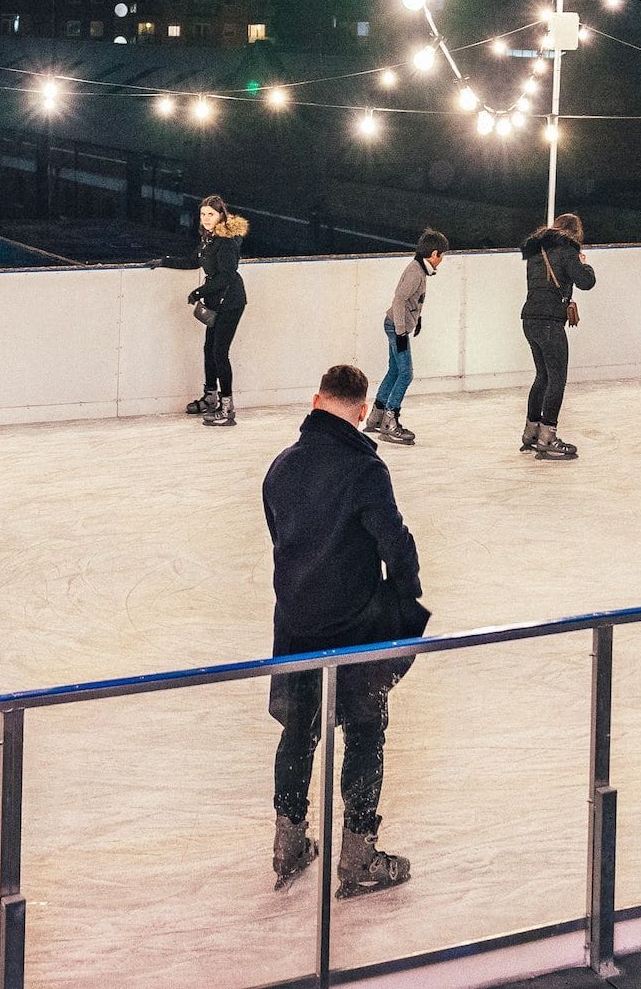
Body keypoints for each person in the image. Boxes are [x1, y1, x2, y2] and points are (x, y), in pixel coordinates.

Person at [264, 363, 425, 897]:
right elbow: (396, 545)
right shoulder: (364, 471)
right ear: (361, 413)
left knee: (298, 732)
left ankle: (289, 843)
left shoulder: (280, 469)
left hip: (296, 626)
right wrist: (406, 601)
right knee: (364, 728)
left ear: (315, 402)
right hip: (354, 627)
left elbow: (280, 539)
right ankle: (357, 857)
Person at [159, 195, 250, 427]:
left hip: (230, 301)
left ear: (221, 215)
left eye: (211, 214)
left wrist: (199, 292)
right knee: (209, 349)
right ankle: (210, 397)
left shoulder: (226, 241)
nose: (206, 218)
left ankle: (227, 407)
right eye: (203, 214)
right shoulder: (208, 239)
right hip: (215, 300)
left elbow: (226, 276)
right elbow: (193, 261)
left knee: (220, 352)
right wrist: (164, 261)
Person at [518, 212, 595, 460]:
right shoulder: (567, 250)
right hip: (550, 322)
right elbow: (586, 282)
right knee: (556, 380)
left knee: (542, 376)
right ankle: (548, 437)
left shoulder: (536, 253)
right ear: (575, 232)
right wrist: (583, 263)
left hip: (530, 319)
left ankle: (531, 432)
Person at [369, 232, 447, 445]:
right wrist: (402, 331)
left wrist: (417, 319)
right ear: (433, 254)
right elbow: (400, 300)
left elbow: (412, 301)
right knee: (406, 374)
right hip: (396, 327)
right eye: (442, 256)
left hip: (394, 324)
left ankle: (376, 416)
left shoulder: (419, 269)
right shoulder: (415, 272)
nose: (442, 260)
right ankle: (389, 422)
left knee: (395, 370)